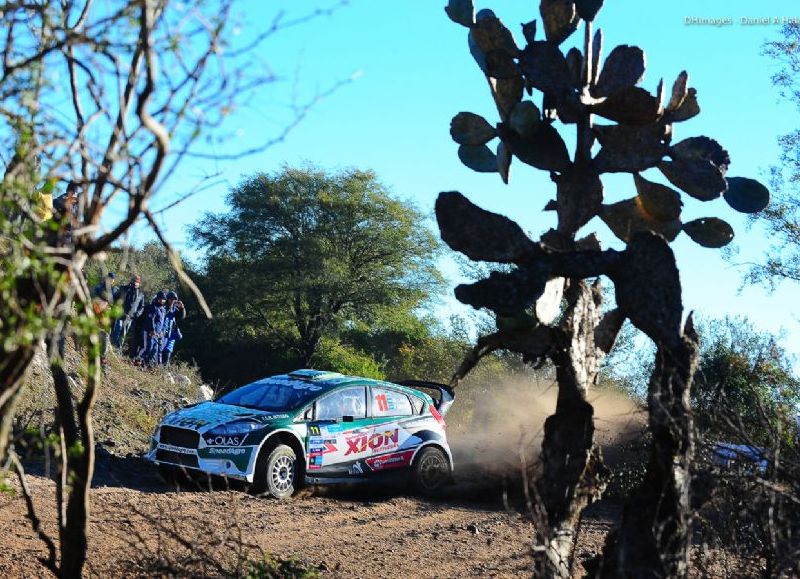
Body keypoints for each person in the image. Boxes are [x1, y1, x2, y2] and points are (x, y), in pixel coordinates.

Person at [110, 275, 145, 350]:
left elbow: (142, 307)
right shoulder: (124, 288)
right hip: (120, 314)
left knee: (123, 333)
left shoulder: (141, 294)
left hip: (130, 317)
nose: (135, 283)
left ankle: (118, 349)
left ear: (139, 283)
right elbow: (115, 298)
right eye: (134, 281)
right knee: (117, 329)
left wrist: (137, 314)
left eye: (137, 282)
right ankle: (111, 347)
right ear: (131, 281)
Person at [92, 272, 118, 366]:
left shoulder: (115, 290)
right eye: (109, 279)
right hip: (98, 314)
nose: (110, 281)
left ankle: (103, 357)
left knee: (106, 335)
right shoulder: (99, 288)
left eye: (112, 279)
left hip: (108, 316)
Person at [138, 290, 167, 367]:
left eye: (164, 299)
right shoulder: (153, 307)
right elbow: (150, 319)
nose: (162, 300)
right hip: (149, 331)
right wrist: (152, 330)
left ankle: (146, 364)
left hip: (157, 334)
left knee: (154, 350)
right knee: (147, 347)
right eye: (160, 298)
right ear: (157, 298)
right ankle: (137, 359)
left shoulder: (163, 309)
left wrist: (161, 332)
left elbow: (162, 322)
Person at [160, 291, 186, 365]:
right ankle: (155, 368)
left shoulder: (174, 309)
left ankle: (162, 370)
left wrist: (182, 308)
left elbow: (181, 317)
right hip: (162, 333)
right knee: (159, 351)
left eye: (174, 299)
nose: (172, 301)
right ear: (167, 299)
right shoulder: (163, 307)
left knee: (167, 352)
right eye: (171, 299)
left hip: (170, 334)